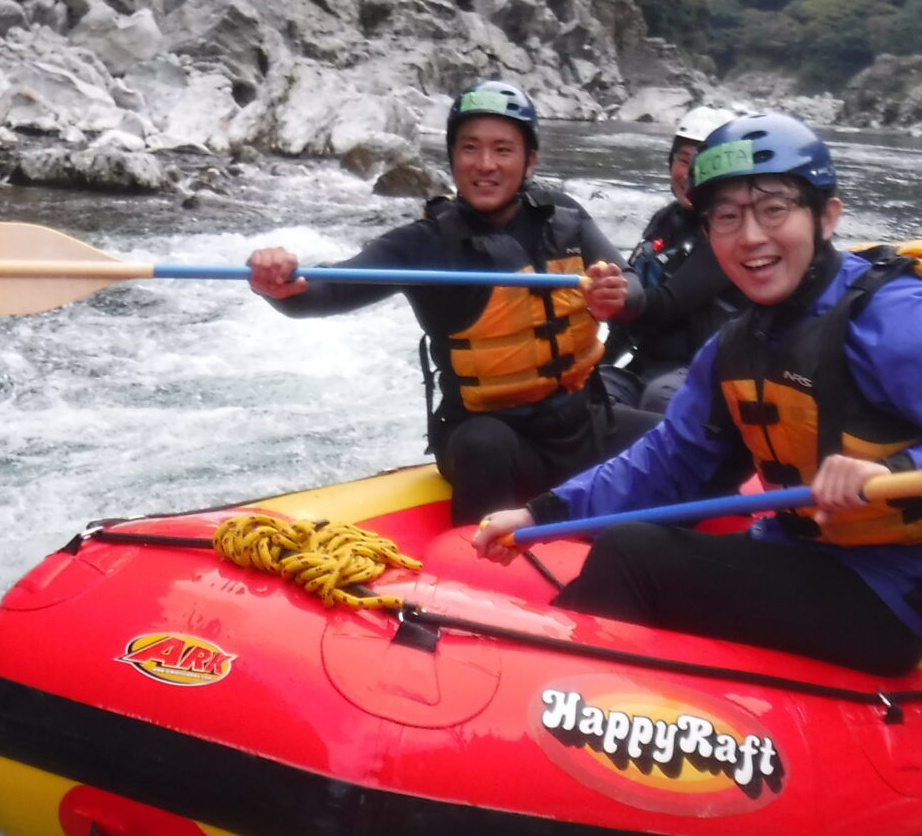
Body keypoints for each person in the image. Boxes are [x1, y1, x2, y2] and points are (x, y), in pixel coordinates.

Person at [472, 115, 922, 677]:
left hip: (891, 595)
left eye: (774, 209)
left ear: (826, 217)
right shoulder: (737, 345)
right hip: (802, 556)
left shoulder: (898, 317)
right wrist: (540, 514)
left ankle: (550, 701)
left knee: (633, 554)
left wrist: (899, 468)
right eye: (727, 218)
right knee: (641, 541)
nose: (751, 236)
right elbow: (666, 461)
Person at [247, 81, 651, 525]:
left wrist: (618, 295)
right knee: (485, 445)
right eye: (470, 149)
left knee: (683, 440)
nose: (485, 165)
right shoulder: (425, 244)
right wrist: (280, 282)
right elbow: (325, 291)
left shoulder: (565, 220)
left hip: (583, 426)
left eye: (503, 150)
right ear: (452, 157)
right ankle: (479, 562)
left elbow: (631, 288)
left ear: (529, 161)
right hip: (493, 438)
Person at [600, 105, 748, 413]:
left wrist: (613, 297)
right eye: (683, 160)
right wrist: (595, 362)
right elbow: (630, 300)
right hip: (647, 364)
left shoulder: (731, 229)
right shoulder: (665, 220)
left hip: (705, 373)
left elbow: (666, 304)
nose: (689, 174)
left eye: (701, 163)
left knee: (661, 397)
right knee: (585, 390)